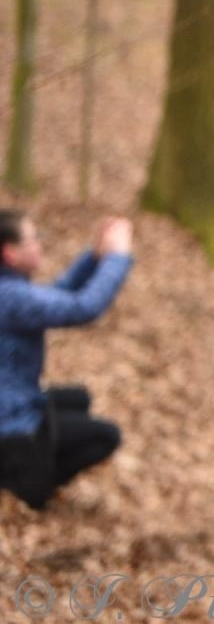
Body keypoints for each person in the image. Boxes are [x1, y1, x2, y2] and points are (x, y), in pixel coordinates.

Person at [0, 210, 133, 510]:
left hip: (13, 400)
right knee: (106, 435)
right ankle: (28, 484)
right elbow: (83, 307)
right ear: (10, 252)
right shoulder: (10, 297)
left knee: (79, 399)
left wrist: (95, 258)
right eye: (34, 239)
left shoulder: (10, 290)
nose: (40, 245)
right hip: (10, 428)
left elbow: (55, 296)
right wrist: (118, 256)